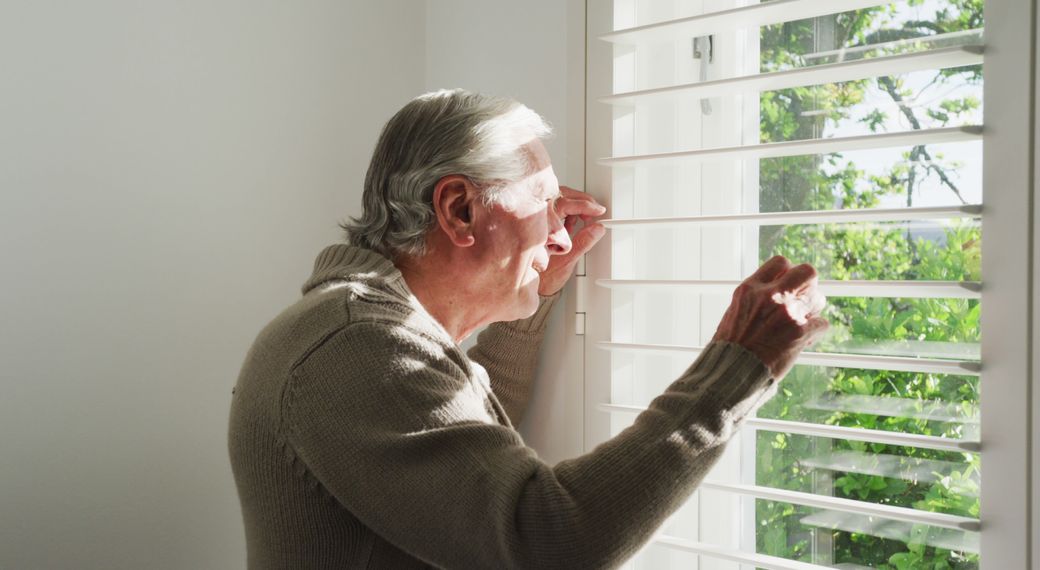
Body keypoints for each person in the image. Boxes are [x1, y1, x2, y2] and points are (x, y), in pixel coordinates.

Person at [228, 89, 828, 569]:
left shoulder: (356, 329)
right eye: (543, 203)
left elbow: (463, 453)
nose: (562, 232)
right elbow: (547, 540)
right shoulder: (356, 345)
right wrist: (736, 367)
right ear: (460, 209)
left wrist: (533, 289)